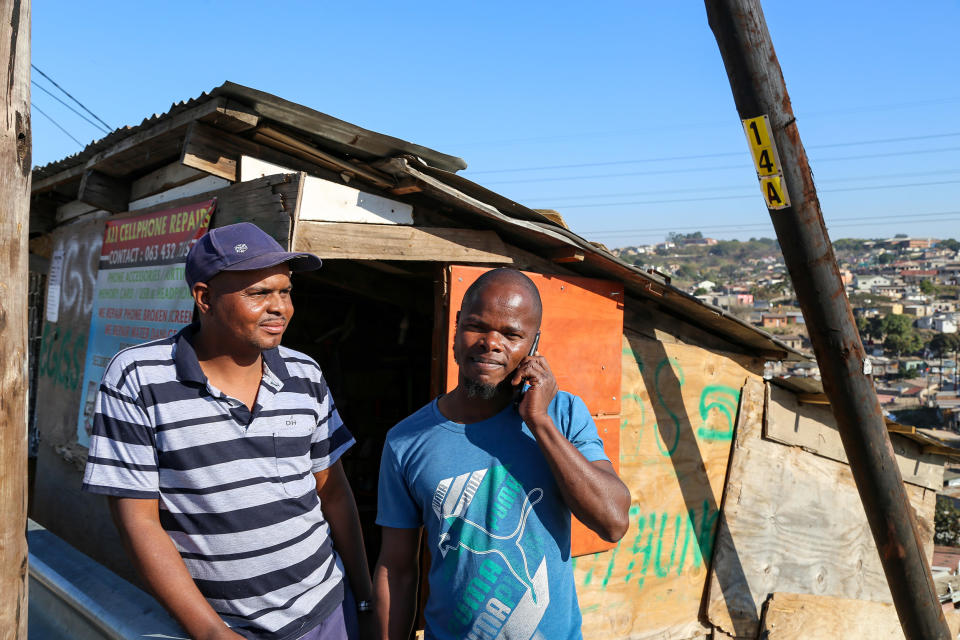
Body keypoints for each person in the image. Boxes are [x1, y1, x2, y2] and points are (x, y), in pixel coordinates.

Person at [82, 223, 374, 640]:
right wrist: (211, 632)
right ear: (205, 298)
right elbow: (138, 520)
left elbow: (333, 490)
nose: (280, 308)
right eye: (258, 293)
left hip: (326, 610)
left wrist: (363, 599)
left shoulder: (305, 374)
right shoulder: (139, 377)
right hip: (225, 629)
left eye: (286, 291)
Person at [373, 268, 631, 640]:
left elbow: (613, 522)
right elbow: (396, 569)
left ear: (534, 344)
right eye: (477, 326)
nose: (491, 343)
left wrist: (539, 422)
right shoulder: (406, 441)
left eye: (511, 334)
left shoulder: (564, 415)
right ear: (457, 328)